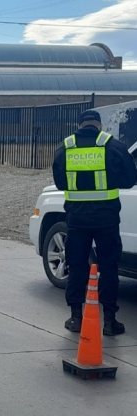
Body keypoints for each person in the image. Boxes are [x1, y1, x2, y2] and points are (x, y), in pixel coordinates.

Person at [52, 109, 137, 336]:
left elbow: (60, 184)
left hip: (77, 219)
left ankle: (76, 318)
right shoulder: (114, 146)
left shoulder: (65, 148)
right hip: (107, 219)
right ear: (99, 125)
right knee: (109, 267)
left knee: (77, 265)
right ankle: (110, 321)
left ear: (79, 125)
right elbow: (130, 179)